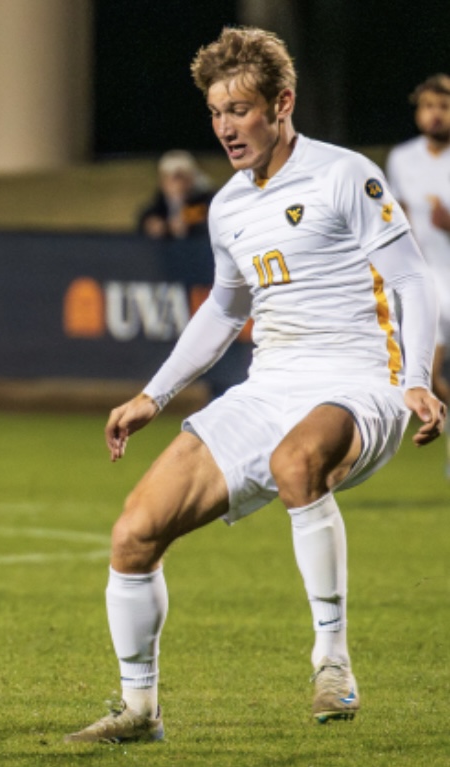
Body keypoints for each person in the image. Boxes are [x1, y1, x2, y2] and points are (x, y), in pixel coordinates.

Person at [64, 27, 445, 744]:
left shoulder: (344, 175)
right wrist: (154, 394)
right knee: (135, 531)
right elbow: (226, 308)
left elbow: (411, 279)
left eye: (239, 109)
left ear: (283, 104)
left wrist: (418, 381)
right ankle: (140, 710)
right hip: (270, 388)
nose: (226, 127)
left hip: (363, 382)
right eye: (216, 112)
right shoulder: (230, 206)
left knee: (295, 461)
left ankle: (332, 661)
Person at [386, 74, 450, 474]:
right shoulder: (401, 158)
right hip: (425, 280)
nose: (435, 115)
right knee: (426, 372)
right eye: (428, 106)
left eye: (443, 107)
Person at [137, 150, 215, 239]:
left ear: (191, 179)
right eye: (169, 178)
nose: (175, 184)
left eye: (179, 177)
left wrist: (189, 224)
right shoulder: (158, 202)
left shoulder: (206, 199)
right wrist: (150, 224)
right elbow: (145, 217)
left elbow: (206, 216)